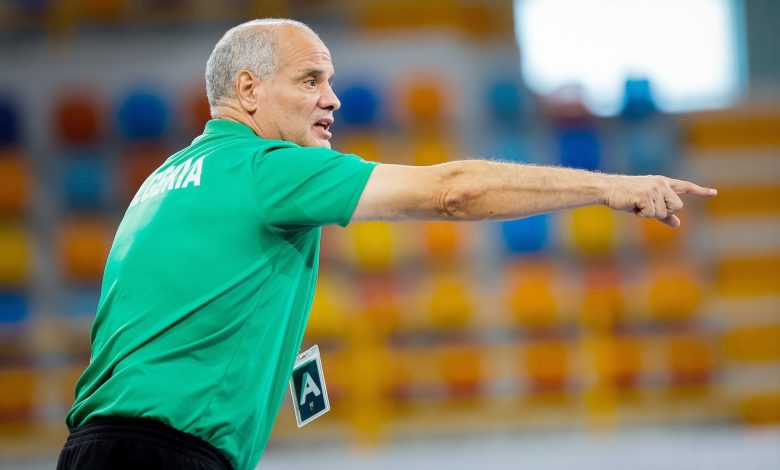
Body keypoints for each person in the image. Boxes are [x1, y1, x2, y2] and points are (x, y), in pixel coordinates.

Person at [57, 18, 717, 470]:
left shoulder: (162, 181)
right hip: (163, 456)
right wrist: (609, 187)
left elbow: (192, 311)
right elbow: (453, 191)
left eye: (330, 80)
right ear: (249, 90)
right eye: (310, 80)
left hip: (91, 448)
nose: (332, 99)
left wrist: (290, 363)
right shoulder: (264, 169)